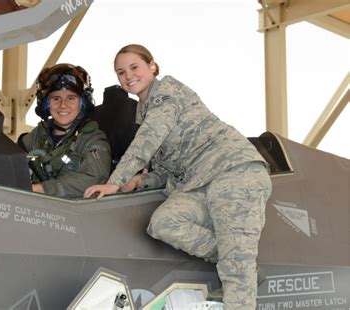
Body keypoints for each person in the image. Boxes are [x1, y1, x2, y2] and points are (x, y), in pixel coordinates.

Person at [84, 44, 272, 309]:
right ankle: (242, 262)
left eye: (134, 67)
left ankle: (240, 264)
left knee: (234, 272)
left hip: (234, 173)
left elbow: (148, 140)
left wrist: (115, 181)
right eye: (120, 72)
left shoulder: (168, 93)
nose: (128, 76)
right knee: (164, 222)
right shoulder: (145, 111)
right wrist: (142, 180)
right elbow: (167, 167)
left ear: (152, 66)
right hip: (198, 183)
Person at [18, 63, 111, 198]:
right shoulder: (36, 137)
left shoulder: (93, 140)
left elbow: (93, 179)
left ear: (83, 102)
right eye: (56, 98)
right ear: (45, 104)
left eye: (71, 98)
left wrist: (39, 188)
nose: (63, 105)